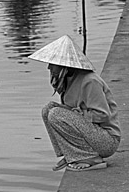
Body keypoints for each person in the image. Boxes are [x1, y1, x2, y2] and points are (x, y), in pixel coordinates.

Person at [28, 35, 121, 172]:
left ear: (63, 65)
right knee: (48, 109)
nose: (49, 68)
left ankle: (90, 158)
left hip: (107, 140)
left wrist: (80, 114)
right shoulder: (68, 81)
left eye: (52, 64)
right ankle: (71, 154)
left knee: (56, 113)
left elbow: (103, 115)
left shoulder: (90, 81)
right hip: (91, 134)